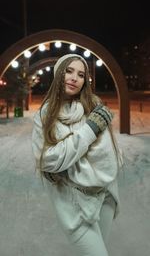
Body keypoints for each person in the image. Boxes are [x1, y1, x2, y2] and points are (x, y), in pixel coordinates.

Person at [32, 53, 122, 256]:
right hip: (73, 205)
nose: (74, 78)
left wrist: (65, 163)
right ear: (58, 74)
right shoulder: (45, 116)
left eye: (81, 74)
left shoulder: (93, 107)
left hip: (104, 195)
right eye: (69, 71)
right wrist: (90, 130)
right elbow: (47, 159)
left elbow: (106, 157)